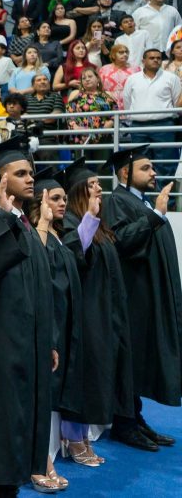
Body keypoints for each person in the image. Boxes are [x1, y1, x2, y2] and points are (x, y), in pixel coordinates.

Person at [0, 136, 57, 497]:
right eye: (20, 173)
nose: (30, 179)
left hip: (27, 344)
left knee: (20, 420)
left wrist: (46, 341)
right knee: (2, 424)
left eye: (31, 172)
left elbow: (39, 289)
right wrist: (2, 217)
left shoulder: (26, 224)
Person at [56, 159, 134, 464]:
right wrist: (89, 218)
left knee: (98, 371)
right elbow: (74, 257)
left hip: (102, 310)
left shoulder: (98, 223)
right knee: (84, 374)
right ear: (79, 191)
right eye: (93, 184)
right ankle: (73, 437)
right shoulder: (71, 221)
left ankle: (83, 435)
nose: (100, 187)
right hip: (84, 313)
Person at [102, 146, 180, 451]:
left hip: (148, 297)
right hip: (131, 299)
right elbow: (121, 241)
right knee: (129, 361)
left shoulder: (139, 201)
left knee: (140, 359)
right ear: (125, 173)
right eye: (146, 168)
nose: (154, 173)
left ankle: (135, 418)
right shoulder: (116, 202)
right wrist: (156, 214)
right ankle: (124, 423)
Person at [23, 168, 81, 492]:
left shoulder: (57, 234)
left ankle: (48, 456)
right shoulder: (33, 232)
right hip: (35, 325)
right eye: (54, 198)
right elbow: (40, 268)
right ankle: (40, 462)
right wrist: (43, 223)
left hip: (54, 325)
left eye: (63, 197)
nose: (62, 203)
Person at [122, 47, 182, 175]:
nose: (155, 60)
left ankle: (165, 195)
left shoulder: (171, 78)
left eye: (158, 58)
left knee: (165, 165)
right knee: (140, 165)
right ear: (143, 60)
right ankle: (144, 196)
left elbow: (177, 103)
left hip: (164, 126)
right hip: (138, 127)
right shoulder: (132, 79)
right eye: (151, 58)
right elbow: (127, 102)